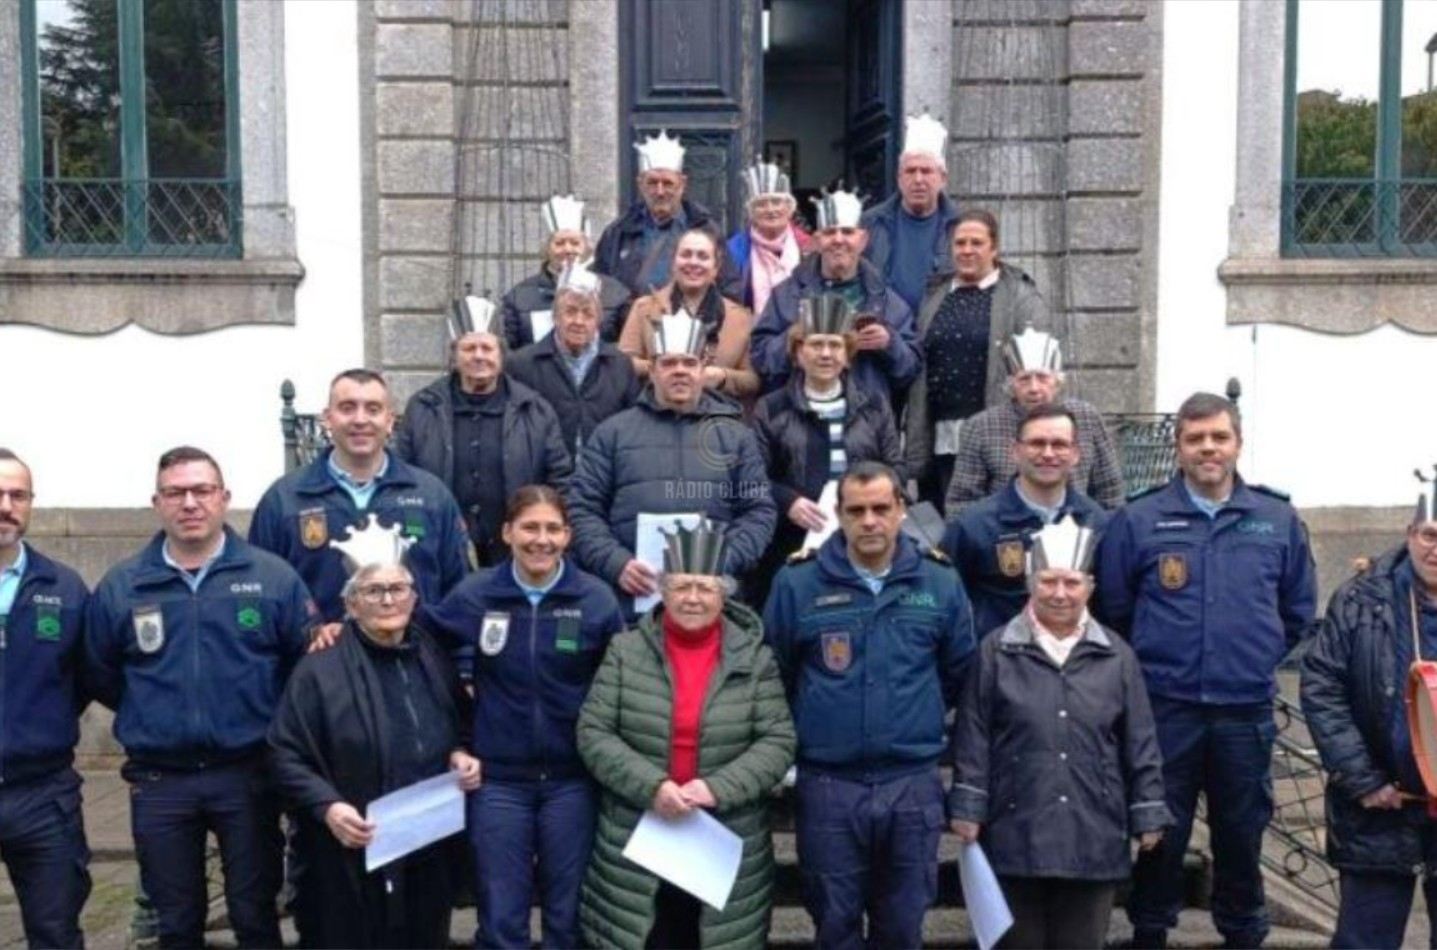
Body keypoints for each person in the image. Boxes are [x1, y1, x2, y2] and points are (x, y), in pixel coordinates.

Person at [1094, 392, 1317, 950]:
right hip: (1165, 708)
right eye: (1195, 439)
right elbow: (1115, 611)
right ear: (1179, 448)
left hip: (1244, 711)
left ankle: (1243, 933)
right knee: (1157, 833)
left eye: (1219, 437)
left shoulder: (1276, 520)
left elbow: (1296, 613)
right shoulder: (1139, 520)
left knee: (1241, 833)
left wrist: (1252, 656)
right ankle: (1150, 931)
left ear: (1238, 442)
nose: (1208, 448)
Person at [85, 446, 317, 949]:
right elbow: (101, 673)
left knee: (255, 916)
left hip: (249, 774)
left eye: (202, 491)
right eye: (176, 492)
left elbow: (303, 669)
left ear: (224, 498)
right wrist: (156, 715)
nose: (190, 503)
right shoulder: (123, 586)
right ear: (157, 502)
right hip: (161, 779)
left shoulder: (272, 578)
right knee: (177, 921)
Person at [763, 461, 977, 949]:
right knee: (834, 924)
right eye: (856, 510)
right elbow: (777, 673)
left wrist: (910, 716)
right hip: (830, 784)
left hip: (912, 784)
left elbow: (959, 673)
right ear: (838, 515)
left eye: (882, 508)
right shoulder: (798, 583)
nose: (870, 520)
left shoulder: (938, 581)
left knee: (902, 926)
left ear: (902, 509)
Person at [950, 517, 1169, 950]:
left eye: (1072, 582)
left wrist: (1148, 809)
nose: (1060, 593)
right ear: (1031, 582)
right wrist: (968, 805)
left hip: (1094, 830)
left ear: (1089, 586)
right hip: (1016, 826)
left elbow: (1139, 739)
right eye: (1049, 581)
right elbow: (973, 732)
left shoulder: (1117, 656)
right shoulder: (996, 649)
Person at [576, 519, 795, 948]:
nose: (692, 598)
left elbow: (778, 740)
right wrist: (652, 786)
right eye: (681, 587)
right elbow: (594, 731)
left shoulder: (756, 658)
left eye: (704, 588)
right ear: (662, 589)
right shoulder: (626, 651)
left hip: (724, 832)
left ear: (722, 594)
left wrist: (715, 787)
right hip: (640, 832)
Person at [424, 486, 626, 948]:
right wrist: (457, 737)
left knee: (568, 915)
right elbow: (422, 655)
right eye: (530, 527)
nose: (542, 539)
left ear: (569, 536)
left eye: (553, 528)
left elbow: (619, 684)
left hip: (573, 782)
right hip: (498, 783)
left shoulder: (595, 600)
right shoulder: (476, 595)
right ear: (507, 532)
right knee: (501, 918)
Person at [268, 548, 482, 948]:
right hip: (351, 847)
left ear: (415, 598)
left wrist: (460, 753)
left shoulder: (431, 654)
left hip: (425, 839)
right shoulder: (320, 668)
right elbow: (284, 753)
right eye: (374, 591)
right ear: (350, 603)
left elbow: (460, 722)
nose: (388, 600)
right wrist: (327, 807)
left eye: (398, 589)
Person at [1301, 477, 1437, 949]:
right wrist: (1363, 779)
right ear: (1410, 533)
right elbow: (1322, 687)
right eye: (1430, 534)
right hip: (1382, 807)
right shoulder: (1361, 599)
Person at [569, 313, 776, 618]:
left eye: (689, 363)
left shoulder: (736, 436)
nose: (680, 371)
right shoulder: (612, 433)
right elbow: (582, 509)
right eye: (668, 363)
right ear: (651, 370)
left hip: (714, 605)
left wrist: (720, 561)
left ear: (703, 369)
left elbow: (759, 511)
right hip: (632, 605)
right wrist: (616, 564)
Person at [249, 368, 472, 623]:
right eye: (347, 408)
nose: (360, 419)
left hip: (412, 658)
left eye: (373, 409)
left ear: (389, 421)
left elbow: (459, 593)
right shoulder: (284, 500)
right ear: (328, 419)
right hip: (317, 659)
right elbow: (263, 593)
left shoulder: (432, 496)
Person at [394, 297, 573, 566]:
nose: (479, 356)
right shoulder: (423, 408)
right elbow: (402, 477)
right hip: (439, 548)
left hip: (515, 552)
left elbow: (561, 480)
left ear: (501, 355)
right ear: (454, 355)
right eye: (469, 348)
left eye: (487, 348)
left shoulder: (535, 410)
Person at [751, 294, 902, 607]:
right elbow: (752, 477)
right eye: (815, 344)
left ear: (848, 355)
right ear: (798, 353)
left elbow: (896, 468)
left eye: (835, 345)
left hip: (866, 534)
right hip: (794, 540)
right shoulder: (771, 408)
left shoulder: (874, 405)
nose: (825, 354)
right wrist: (788, 502)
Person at [0, 448, 92, 949]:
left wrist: (39, 724)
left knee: (55, 931)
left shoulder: (65, 587)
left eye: (18, 495)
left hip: (42, 794)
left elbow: (85, 677)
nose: (6, 506)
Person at [904, 209, 1050, 509]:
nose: (967, 250)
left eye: (976, 243)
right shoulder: (935, 294)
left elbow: (1038, 373)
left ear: (994, 248)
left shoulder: (1021, 298)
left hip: (998, 435)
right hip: (939, 435)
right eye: (960, 243)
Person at [941, 404, 1109, 640]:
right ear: (1015, 451)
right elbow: (945, 601)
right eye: (1037, 443)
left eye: (1059, 444)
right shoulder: (975, 525)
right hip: (999, 666)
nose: (1048, 453)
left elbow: (1110, 604)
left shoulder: (1097, 523)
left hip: (1076, 668)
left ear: (1076, 454)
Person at [750, 189, 921, 407]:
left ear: (863, 240)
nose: (839, 240)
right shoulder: (786, 296)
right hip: (800, 423)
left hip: (866, 423)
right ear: (817, 240)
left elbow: (911, 370)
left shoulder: (889, 302)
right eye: (830, 232)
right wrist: (793, 338)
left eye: (848, 232)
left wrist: (889, 343)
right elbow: (761, 360)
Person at [944, 330, 1124, 515]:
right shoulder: (981, 427)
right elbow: (961, 502)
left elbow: (1110, 491)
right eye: (1024, 379)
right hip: (1005, 533)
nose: (1034, 388)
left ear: (1057, 381)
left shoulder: (1086, 418)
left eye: (1042, 378)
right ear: (1011, 384)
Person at [507, 261, 642, 458]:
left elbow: (632, 427)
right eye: (570, 311)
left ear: (598, 320)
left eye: (587, 313)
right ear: (555, 316)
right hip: (544, 480)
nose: (578, 321)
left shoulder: (620, 365)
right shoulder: (522, 365)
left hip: (604, 475)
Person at [617, 229, 760, 404]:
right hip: (656, 413)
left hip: (717, 419)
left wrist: (722, 377)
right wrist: (661, 368)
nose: (693, 262)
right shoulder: (644, 308)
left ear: (716, 267)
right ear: (673, 263)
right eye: (686, 254)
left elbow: (753, 380)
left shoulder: (741, 318)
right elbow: (622, 364)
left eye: (702, 256)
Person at [593, 130, 734, 296]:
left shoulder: (706, 230)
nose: (660, 192)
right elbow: (602, 292)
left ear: (682, 184)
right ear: (640, 184)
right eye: (652, 183)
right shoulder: (617, 234)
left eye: (668, 183)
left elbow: (729, 287)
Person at [859, 112, 961, 312]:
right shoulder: (871, 223)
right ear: (899, 177)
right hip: (885, 335)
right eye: (911, 171)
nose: (918, 179)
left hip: (940, 336)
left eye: (926, 171)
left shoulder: (961, 226)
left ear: (943, 178)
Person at [501, 195, 631, 350]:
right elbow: (509, 349)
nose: (568, 250)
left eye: (575, 243)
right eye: (560, 243)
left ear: (587, 248)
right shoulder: (519, 296)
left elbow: (627, 347)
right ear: (547, 249)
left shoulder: (615, 292)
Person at [725, 160, 813, 314]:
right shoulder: (733, 249)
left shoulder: (808, 247)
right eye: (761, 204)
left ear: (789, 208)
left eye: (776, 202)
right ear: (751, 212)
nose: (770, 210)